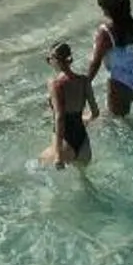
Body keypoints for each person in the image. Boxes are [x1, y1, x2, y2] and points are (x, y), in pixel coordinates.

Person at [42, 41, 94, 169]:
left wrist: (58, 156)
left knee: (38, 164)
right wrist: (84, 119)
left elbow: (60, 117)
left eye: (49, 58)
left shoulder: (55, 84)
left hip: (65, 141)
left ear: (56, 60)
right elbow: (95, 112)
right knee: (84, 178)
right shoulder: (84, 80)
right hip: (83, 143)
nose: (48, 61)